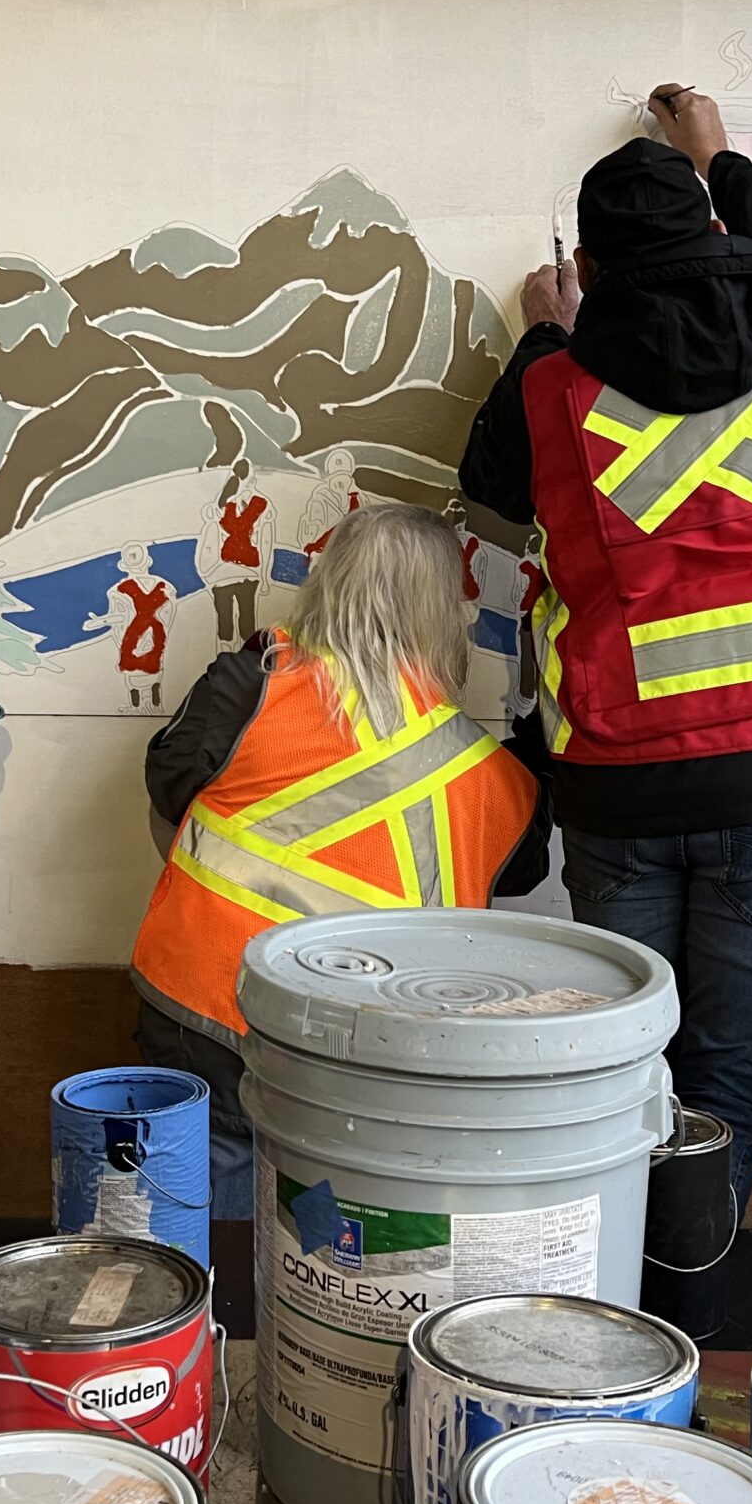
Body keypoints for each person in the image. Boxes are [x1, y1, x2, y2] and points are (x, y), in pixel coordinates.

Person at [461, 86, 752, 1212]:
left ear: (589, 268)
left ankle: (616, 1289)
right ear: (714, 230)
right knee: (730, 1081)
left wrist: (545, 332)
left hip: (619, 787)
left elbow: (488, 486)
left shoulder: (553, 387)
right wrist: (714, 158)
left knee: (622, 1070)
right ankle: (695, 1296)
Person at [129, 500, 549, 1215]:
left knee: (201, 1223)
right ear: (445, 609)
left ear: (330, 580)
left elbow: (167, 786)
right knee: (339, 1236)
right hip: (373, 1051)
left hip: (207, 1009)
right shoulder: (499, 780)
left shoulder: (250, 686)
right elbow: (523, 871)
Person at [197, 460, 273, 647]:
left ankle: (233, 660)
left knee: (239, 626)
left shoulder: (233, 506)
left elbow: (266, 543)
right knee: (233, 627)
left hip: (239, 574)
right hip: (228, 574)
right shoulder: (225, 507)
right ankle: (234, 660)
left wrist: (264, 576)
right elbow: (265, 544)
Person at [100, 541, 175, 710]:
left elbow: (118, 619)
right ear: (148, 561)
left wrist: (104, 622)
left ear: (123, 565)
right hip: (152, 635)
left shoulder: (118, 590)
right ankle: (150, 703)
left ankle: (141, 703)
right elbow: (168, 613)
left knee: (137, 668)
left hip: (135, 637)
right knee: (151, 666)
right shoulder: (164, 587)